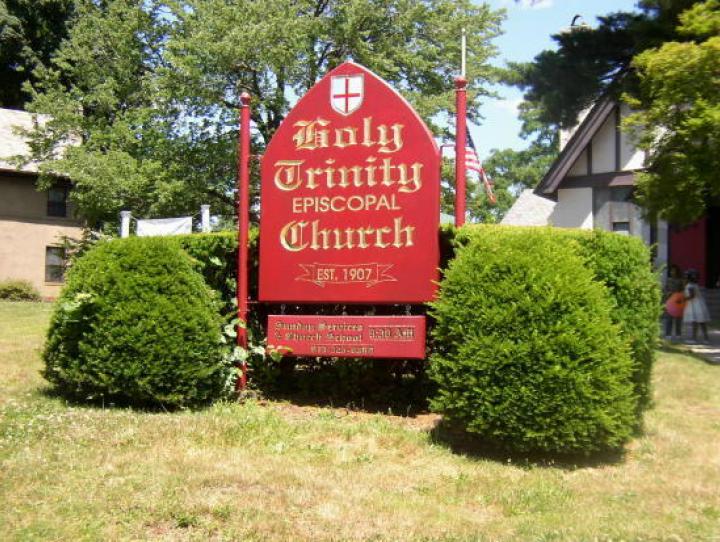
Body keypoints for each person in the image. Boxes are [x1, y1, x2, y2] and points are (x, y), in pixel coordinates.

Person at [683, 269, 710, 343]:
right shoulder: (694, 284)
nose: (684, 279)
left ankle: (694, 338)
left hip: (694, 304)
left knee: (696, 321)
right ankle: (705, 338)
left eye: (685, 277)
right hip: (698, 304)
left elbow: (692, 295)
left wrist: (684, 299)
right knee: (701, 322)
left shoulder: (690, 285)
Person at [663, 265, 684, 340]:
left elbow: (682, 291)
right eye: (671, 271)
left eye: (674, 271)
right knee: (669, 318)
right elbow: (665, 289)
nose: (672, 272)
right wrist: (667, 293)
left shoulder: (680, 281)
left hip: (677, 301)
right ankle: (668, 334)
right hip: (669, 301)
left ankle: (678, 334)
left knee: (678, 318)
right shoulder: (668, 280)